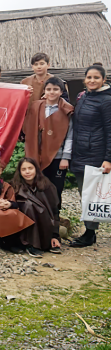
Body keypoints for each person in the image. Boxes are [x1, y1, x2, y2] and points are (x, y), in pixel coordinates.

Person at [70, 65, 111, 247]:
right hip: (80, 154)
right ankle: (90, 232)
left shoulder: (106, 101)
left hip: (96, 155)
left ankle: (89, 232)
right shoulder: (83, 97)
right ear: (84, 79)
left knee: (100, 196)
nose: (92, 81)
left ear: (104, 79)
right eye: (89, 77)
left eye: (96, 78)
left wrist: (108, 158)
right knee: (86, 195)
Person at [23, 77, 73, 209]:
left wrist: (65, 158)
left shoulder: (67, 110)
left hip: (57, 156)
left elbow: (70, 135)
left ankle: (55, 221)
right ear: (44, 90)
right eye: (49, 89)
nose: (52, 92)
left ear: (61, 91)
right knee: (37, 187)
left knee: (55, 188)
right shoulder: (36, 106)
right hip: (36, 155)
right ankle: (39, 219)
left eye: (55, 89)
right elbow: (26, 126)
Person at [11, 157, 61, 257]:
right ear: (19, 172)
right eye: (24, 169)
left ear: (36, 170)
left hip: (45, 224)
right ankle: (31, 244)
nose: (27, 172)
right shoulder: (14, 186)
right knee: (28, 205)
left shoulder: (47, 185)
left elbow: (54, 210)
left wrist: (55, 236)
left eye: (30, 168)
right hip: (24, 225)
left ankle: (48, 240)